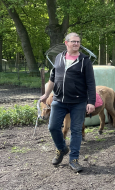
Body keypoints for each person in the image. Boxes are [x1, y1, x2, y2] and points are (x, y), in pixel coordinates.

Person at [40, 33, 96, 172]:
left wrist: (91, 102)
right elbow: (52, 78)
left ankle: (74, 160)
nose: (76, 44)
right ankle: (61, 148)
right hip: (59, 100)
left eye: (78, 42)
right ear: (66, 43)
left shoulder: (85, 61)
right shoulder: (59, 58)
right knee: (53, 127)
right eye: (73, 42)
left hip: (78, 102)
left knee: (76, 131)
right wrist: (46, 94)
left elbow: (90, 82)